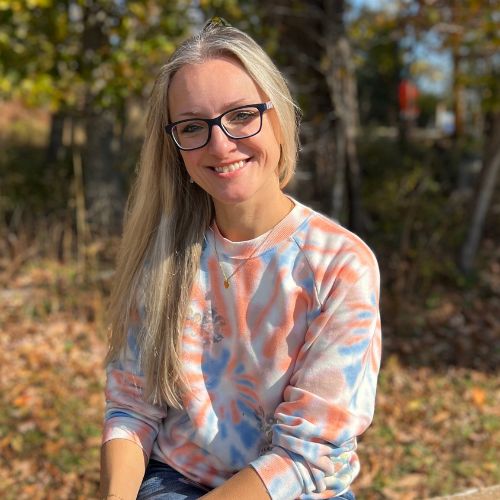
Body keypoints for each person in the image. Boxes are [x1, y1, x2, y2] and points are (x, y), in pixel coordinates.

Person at [100, 18, 381, 500]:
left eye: (242, 115)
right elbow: (132, 408)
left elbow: (307, 454)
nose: (220, 143)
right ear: (175, 147)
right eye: (192, 126)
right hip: (177, 481)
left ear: (279, 118)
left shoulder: (339, 265)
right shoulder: (163, 256)